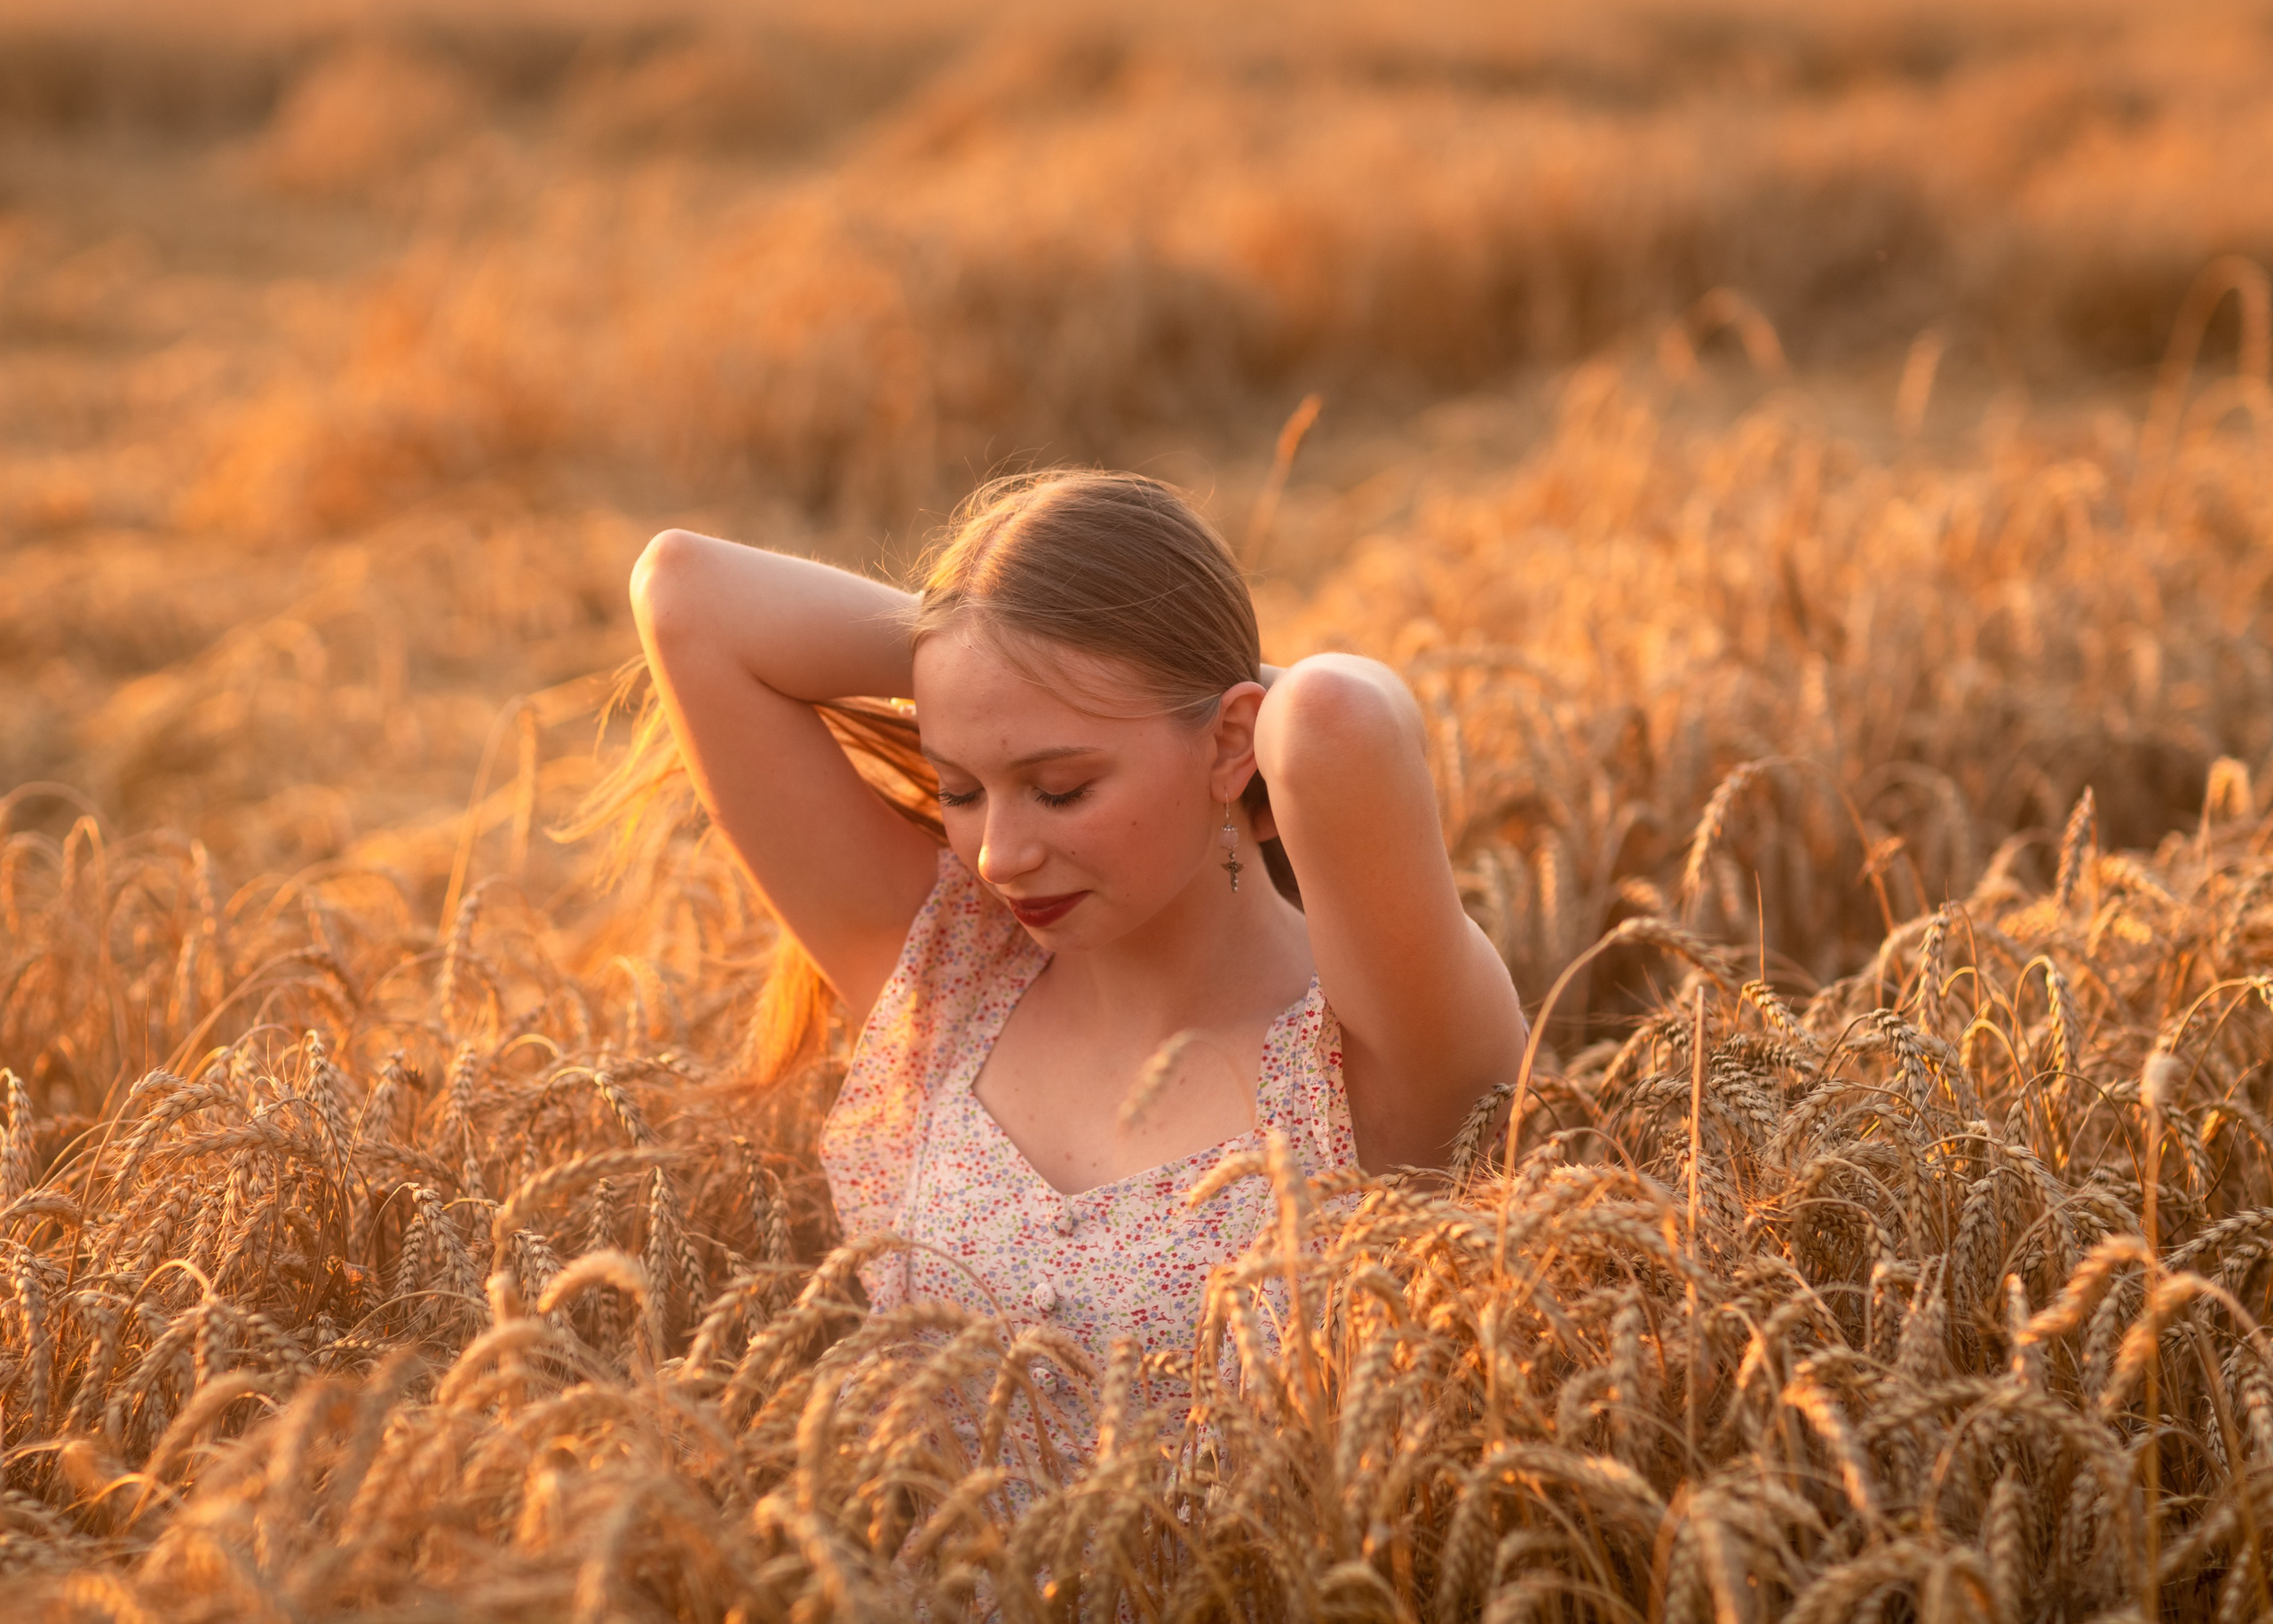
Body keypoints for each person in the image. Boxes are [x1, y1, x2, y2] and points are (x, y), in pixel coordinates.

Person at [627, 469, 1526, 1405]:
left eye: (1058, 789)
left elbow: (1337, 717)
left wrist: (1157, 669)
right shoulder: (951, 979)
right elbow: (685, 592)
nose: (996, 856)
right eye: (960, 789)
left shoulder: (1376, 1050)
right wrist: (976, 646)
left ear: (1233, 743)